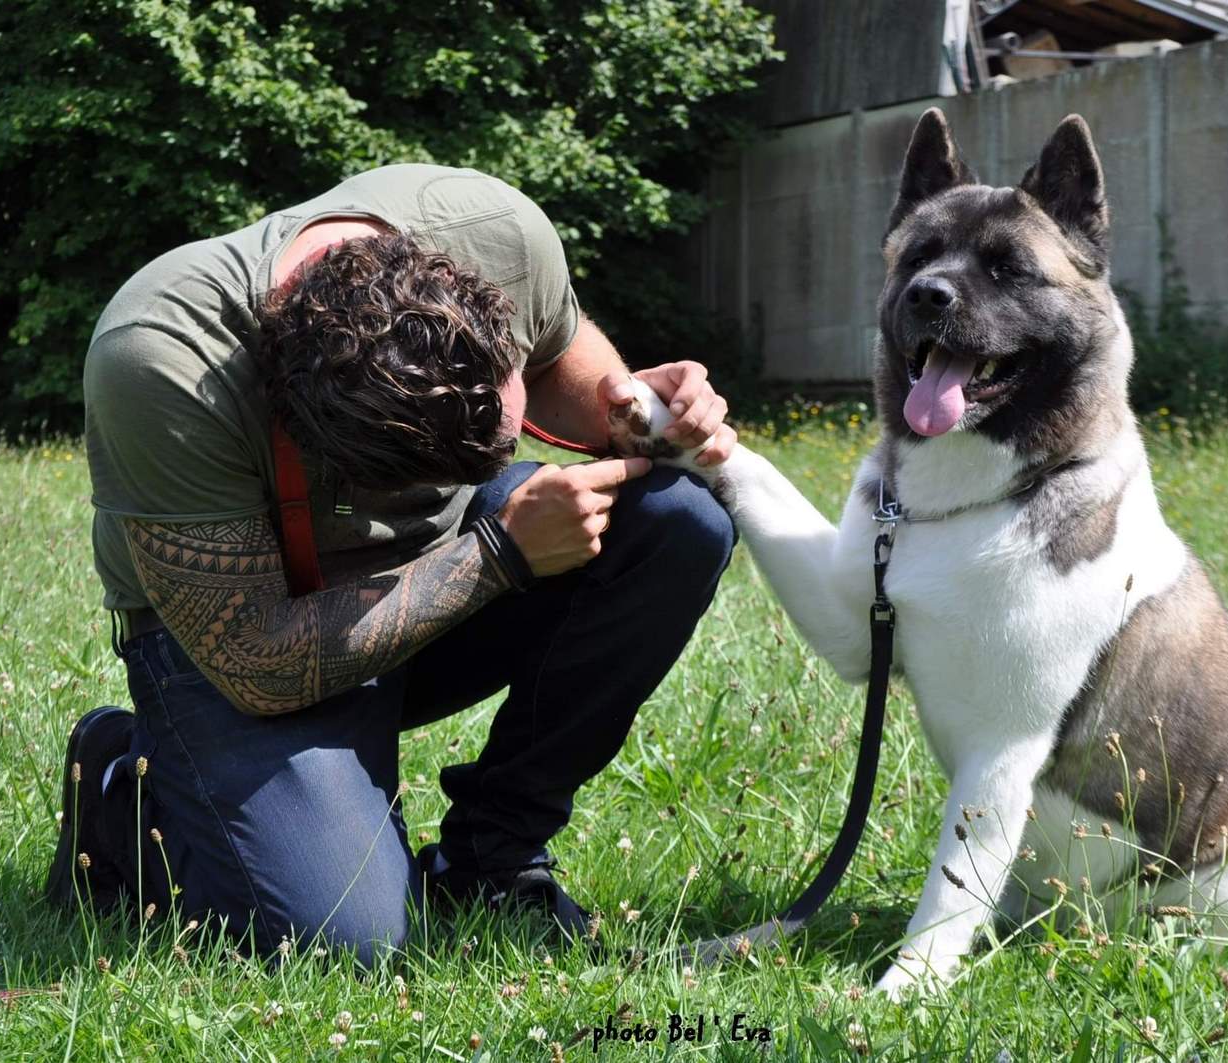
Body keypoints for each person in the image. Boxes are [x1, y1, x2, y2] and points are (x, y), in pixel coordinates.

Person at [46, 164, 737, 965]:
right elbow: (254, 660)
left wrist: (635, 410)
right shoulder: (162, 359)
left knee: (677, 519)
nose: (502, 463)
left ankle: (491, 860)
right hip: (245, 634)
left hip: (448, 560)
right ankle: (126, 790)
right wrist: (501, 554)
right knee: (337, 939)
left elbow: (558, 365)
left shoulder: (496, 232)